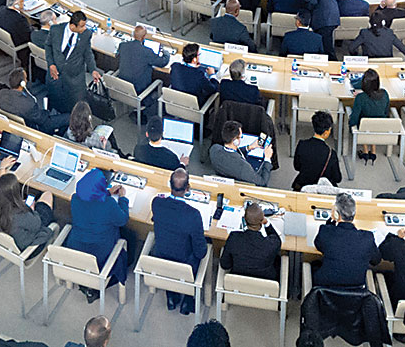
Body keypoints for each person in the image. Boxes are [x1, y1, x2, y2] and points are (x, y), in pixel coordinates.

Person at [148, 169, 208, 313]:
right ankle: (188, 300)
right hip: (184, 263)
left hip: (161, 256)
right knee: (200, 248)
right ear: (188, 188)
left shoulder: (157, 202)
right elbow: (201, 252)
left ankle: (171, 296)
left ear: (170, 184)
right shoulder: (193, 215)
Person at [66, 168, 134, 287]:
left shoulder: (75, 198)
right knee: (130, 235)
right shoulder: (109, 204)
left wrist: (107, 192)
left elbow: (91, 200)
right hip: (100, 254)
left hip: (76, 248)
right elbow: (123, 220)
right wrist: (122, 198)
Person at [312, 192, 379, 290]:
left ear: (335, 214)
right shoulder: (367, 238)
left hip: (325, 289)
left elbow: (319, 245)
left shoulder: (326, 232)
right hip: (356, 292)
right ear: (354, 214)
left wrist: (330, 222)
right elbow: (376, 260)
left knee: (315, 264)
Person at [0, 172, 58, 251]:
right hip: (26, 248)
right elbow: (37, 225)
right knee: (47, 195)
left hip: (4, 241)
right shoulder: (21, 215)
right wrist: (31, 210)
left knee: (38, 197)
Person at [207, 120, 270, 185]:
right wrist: (267, 158)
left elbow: (230, 153)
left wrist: (249, 147)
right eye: (240, 137)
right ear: (235, 141)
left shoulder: (214, 149)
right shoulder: (243, 167)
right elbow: (263, 182)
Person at [349, 69, 391, 163]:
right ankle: (373, 151)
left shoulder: (361, 98)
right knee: (373, 118)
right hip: (380, 126)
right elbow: (386, 112)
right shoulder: (385, 94)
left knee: (363, 119)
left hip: (364, 127)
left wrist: (350, 125)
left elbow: (354, 119)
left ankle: (365, 151)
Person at [293, 112, 342, 189]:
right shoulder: (331, 153)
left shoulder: (301, 144)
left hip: (302, 186)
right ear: (326, 132)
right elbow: (337, 178)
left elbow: (297, 167)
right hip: (321, 189)